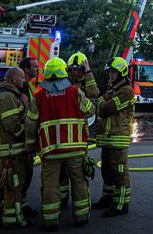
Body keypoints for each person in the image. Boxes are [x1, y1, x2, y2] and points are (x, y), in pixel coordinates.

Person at [26, 57, 95, 231]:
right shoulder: (74, 92)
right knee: (79, 181)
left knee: (50, 184)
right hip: (75, 149)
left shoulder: (39, 96)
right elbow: (90, 111)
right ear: (64, 72)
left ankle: (51, 220)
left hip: (50, 151)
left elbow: (30, 124)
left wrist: (29, 147)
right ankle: (81, 217)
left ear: (46, 74)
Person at [0, 67, 29, 229]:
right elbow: (11, 124)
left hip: (0, 151)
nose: (24, 80)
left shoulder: (1, 94)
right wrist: (27, 136)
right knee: (12, 186)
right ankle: (11, 219)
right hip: (10, 151)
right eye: (22, 77)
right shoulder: (8, 97)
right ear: (14, 79)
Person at [93, 57, 135, 217]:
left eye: (113, 72)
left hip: (118, 138)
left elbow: (105, 108)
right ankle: (107, 198)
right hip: (107, 138)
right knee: (107, 170)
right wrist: (103, 100)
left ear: (121, 73)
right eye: (109, 72)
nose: (110, 75)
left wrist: (102, 101)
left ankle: (121, 204)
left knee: (119, 173)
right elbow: (101, 103)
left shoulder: (126, 91)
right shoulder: (112, 89)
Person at [56, 52, 100, 206]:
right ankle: (61, 199)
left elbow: (94, 93)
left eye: (78, 69)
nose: (75, 72)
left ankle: (80, 204)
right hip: (61, 133)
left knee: (78, 172)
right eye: (72, 69)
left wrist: (88, 73)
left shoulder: (86, 83)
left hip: (79, 134)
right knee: (61, 170)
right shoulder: (63, 83)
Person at [19, 56, 41, 218]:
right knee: (25, 172)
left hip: (25, 135)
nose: (37, 69)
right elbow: (27, 110)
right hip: (23, 137)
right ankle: (18, 204)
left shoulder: (27, 86)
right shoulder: (23, 88)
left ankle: (22, 202)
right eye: (34, 67)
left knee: (26, 172)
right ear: (26, 69)